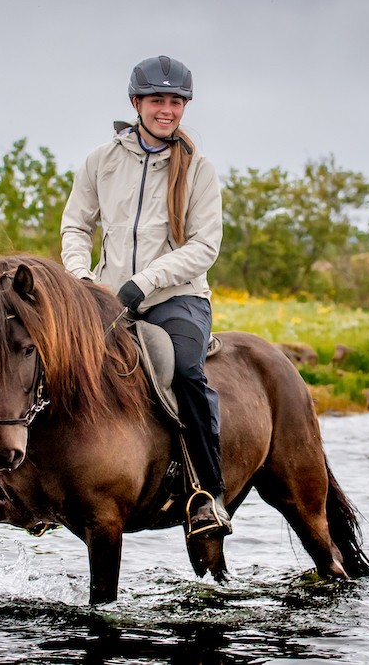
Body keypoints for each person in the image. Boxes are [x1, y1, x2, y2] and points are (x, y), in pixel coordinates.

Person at [60, 55, 231, 538]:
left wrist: (147, 280)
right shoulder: (100, 161)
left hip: (178, 297)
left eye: (176, 101)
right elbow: (76, 226)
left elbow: (205, 246)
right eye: (157, 100)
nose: (167, 110)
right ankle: (44, 479)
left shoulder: (199, 170)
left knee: (185, 371)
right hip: (106, 295)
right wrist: (81, 279)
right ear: (136, 103)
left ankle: (207, 494)